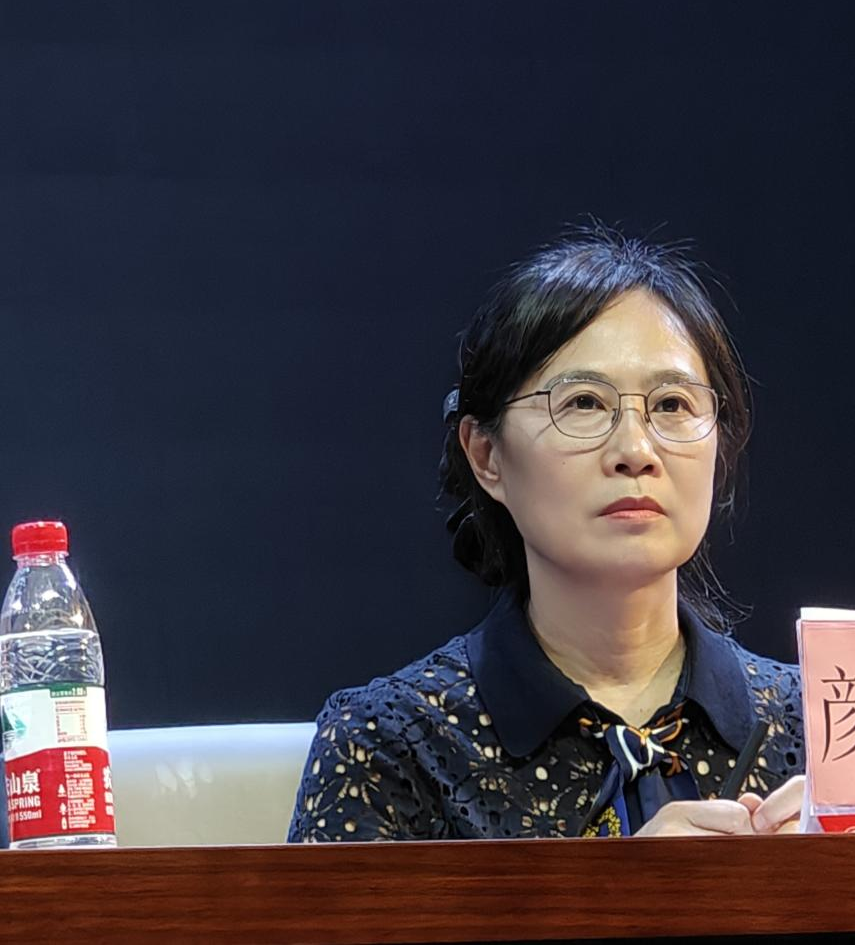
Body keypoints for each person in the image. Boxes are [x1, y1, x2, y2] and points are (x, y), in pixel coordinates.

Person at [288, 226, 805, 841]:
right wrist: (628, 895)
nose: (636, 451)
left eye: (672, 405)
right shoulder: (389, 745)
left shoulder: (820, 728)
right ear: (487, 456)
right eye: (583, 403)